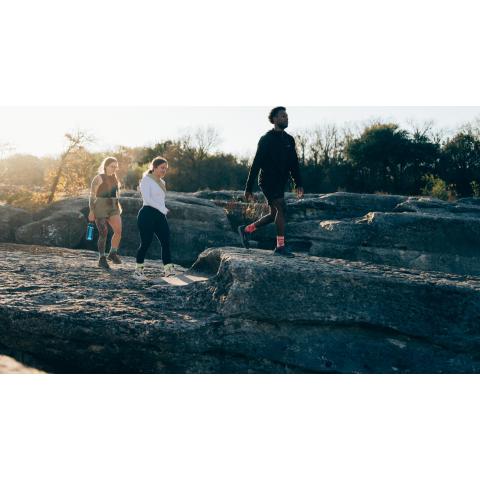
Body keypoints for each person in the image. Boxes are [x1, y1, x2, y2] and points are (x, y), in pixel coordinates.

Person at [239, 106, 304, 257]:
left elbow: (294, 164)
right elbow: (256, 164)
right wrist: (248, 188)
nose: (286, 118)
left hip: (280, 182)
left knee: (274, 213)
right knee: (280, 208)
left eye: (286, 116)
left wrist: (298, 183)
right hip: (267, 180)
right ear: (274, 119)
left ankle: (246, 230)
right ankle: (280, 247)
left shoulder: (289, 140)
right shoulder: (266, 139)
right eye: (282, 116)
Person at [134, 157, 175, 279]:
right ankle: (138, 271)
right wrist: (163, 209)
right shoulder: (146, 180)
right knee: (146, 243)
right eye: (162, 168)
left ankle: (168, 270)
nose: (164, 170)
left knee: (166, 241)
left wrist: (162, 210)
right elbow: (147, 199)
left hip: (160, 216)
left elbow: (160, 200)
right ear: (154, 167)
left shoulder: (162, 182)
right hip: (147, 214)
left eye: (166, 168)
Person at [88, 157, 123, 269]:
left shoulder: (115, 178)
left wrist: (118, 206)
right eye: (112, 166)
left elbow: (115, 194)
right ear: (106, 166)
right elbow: (92, 196)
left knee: (118, 231)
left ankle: (112, 253)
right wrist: (91, 211)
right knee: (103, 233)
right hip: (100, 206)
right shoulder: (98, 178)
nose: (114, 169)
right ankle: (102, 258)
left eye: (115, 167)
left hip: (113, 207)